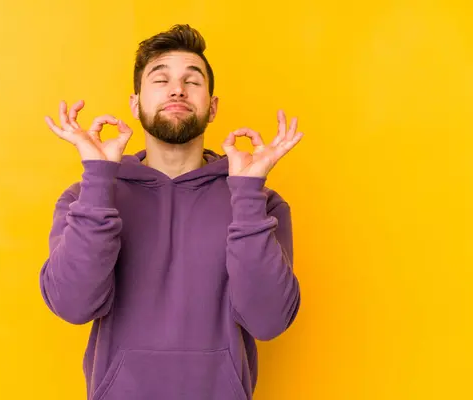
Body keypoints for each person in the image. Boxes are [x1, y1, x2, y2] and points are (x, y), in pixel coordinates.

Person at [40, 24, 303, 400]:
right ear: (135, 104)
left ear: (212, 107)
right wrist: (99, 180)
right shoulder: (87, 197)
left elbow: (268, 319)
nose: (177, 89)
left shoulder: (260, 204)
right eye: (160, 79)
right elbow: (73, 304)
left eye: (192, 81)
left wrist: (246, 194)